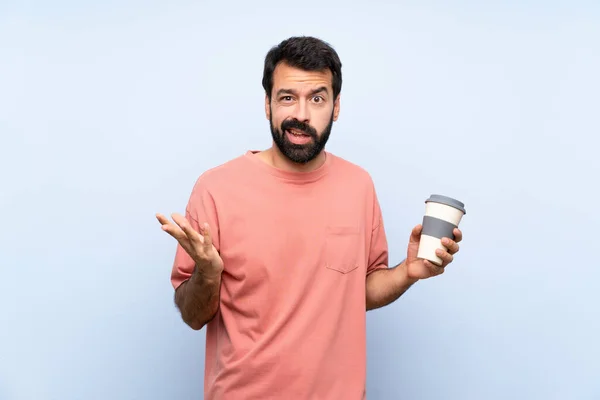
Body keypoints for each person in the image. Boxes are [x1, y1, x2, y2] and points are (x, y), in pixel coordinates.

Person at [156, 36, 463, 400]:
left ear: (335, 107)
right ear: (267, 105)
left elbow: (353, 293)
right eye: (287, 97)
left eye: (317, 98)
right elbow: (193, 316)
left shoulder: (358, 185)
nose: (301, 114)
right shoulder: (216, 188)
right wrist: (208, 273)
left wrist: (406, 273)